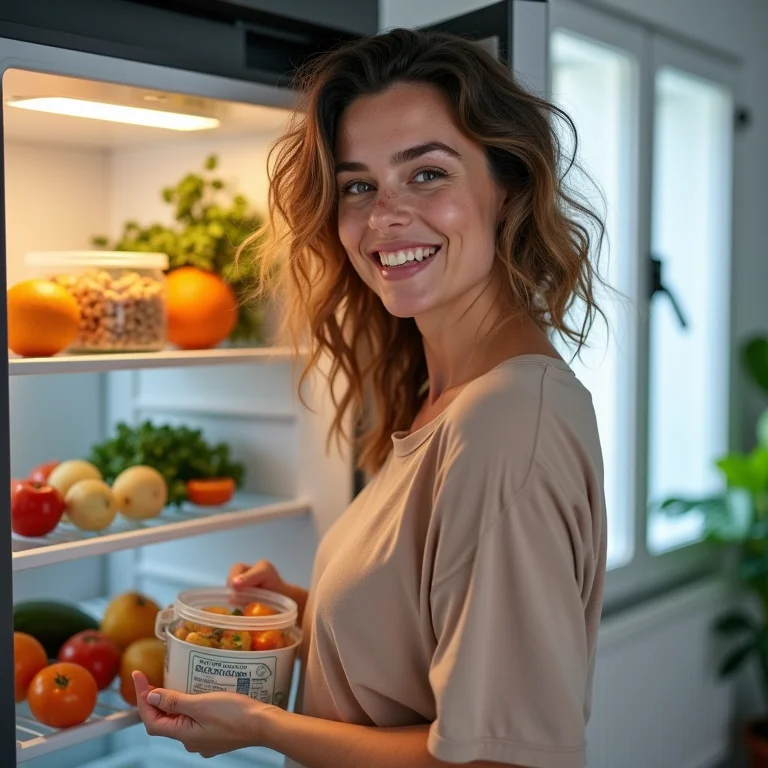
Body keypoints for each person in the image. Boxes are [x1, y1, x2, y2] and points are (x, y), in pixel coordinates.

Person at [133, 27, 608, 768]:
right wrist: (314, 611)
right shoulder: (443, 396)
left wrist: (261, 725)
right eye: (358, 186)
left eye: (426, 174)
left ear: (507, 184)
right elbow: (436, 638)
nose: (384, 216)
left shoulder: (507, 423)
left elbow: (500, 760)